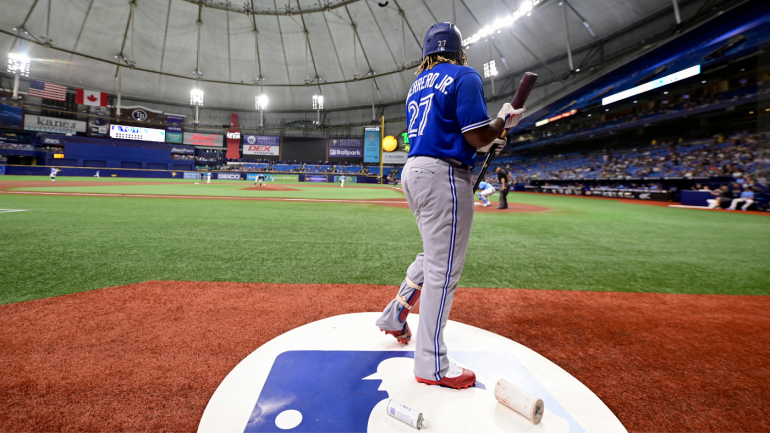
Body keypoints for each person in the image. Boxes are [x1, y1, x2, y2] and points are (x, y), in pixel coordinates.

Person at [375, 22, 525, 390]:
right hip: (443, 174)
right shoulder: (464, 75)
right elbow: (475, 135)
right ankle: (432, 364)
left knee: (431, 255)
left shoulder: (417, 86)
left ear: (427, 54)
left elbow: (457, 134)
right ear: (459, 51)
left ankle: (395, 314)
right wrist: (502, 123)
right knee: (445, 271)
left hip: (414, 170)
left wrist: (490, 140)